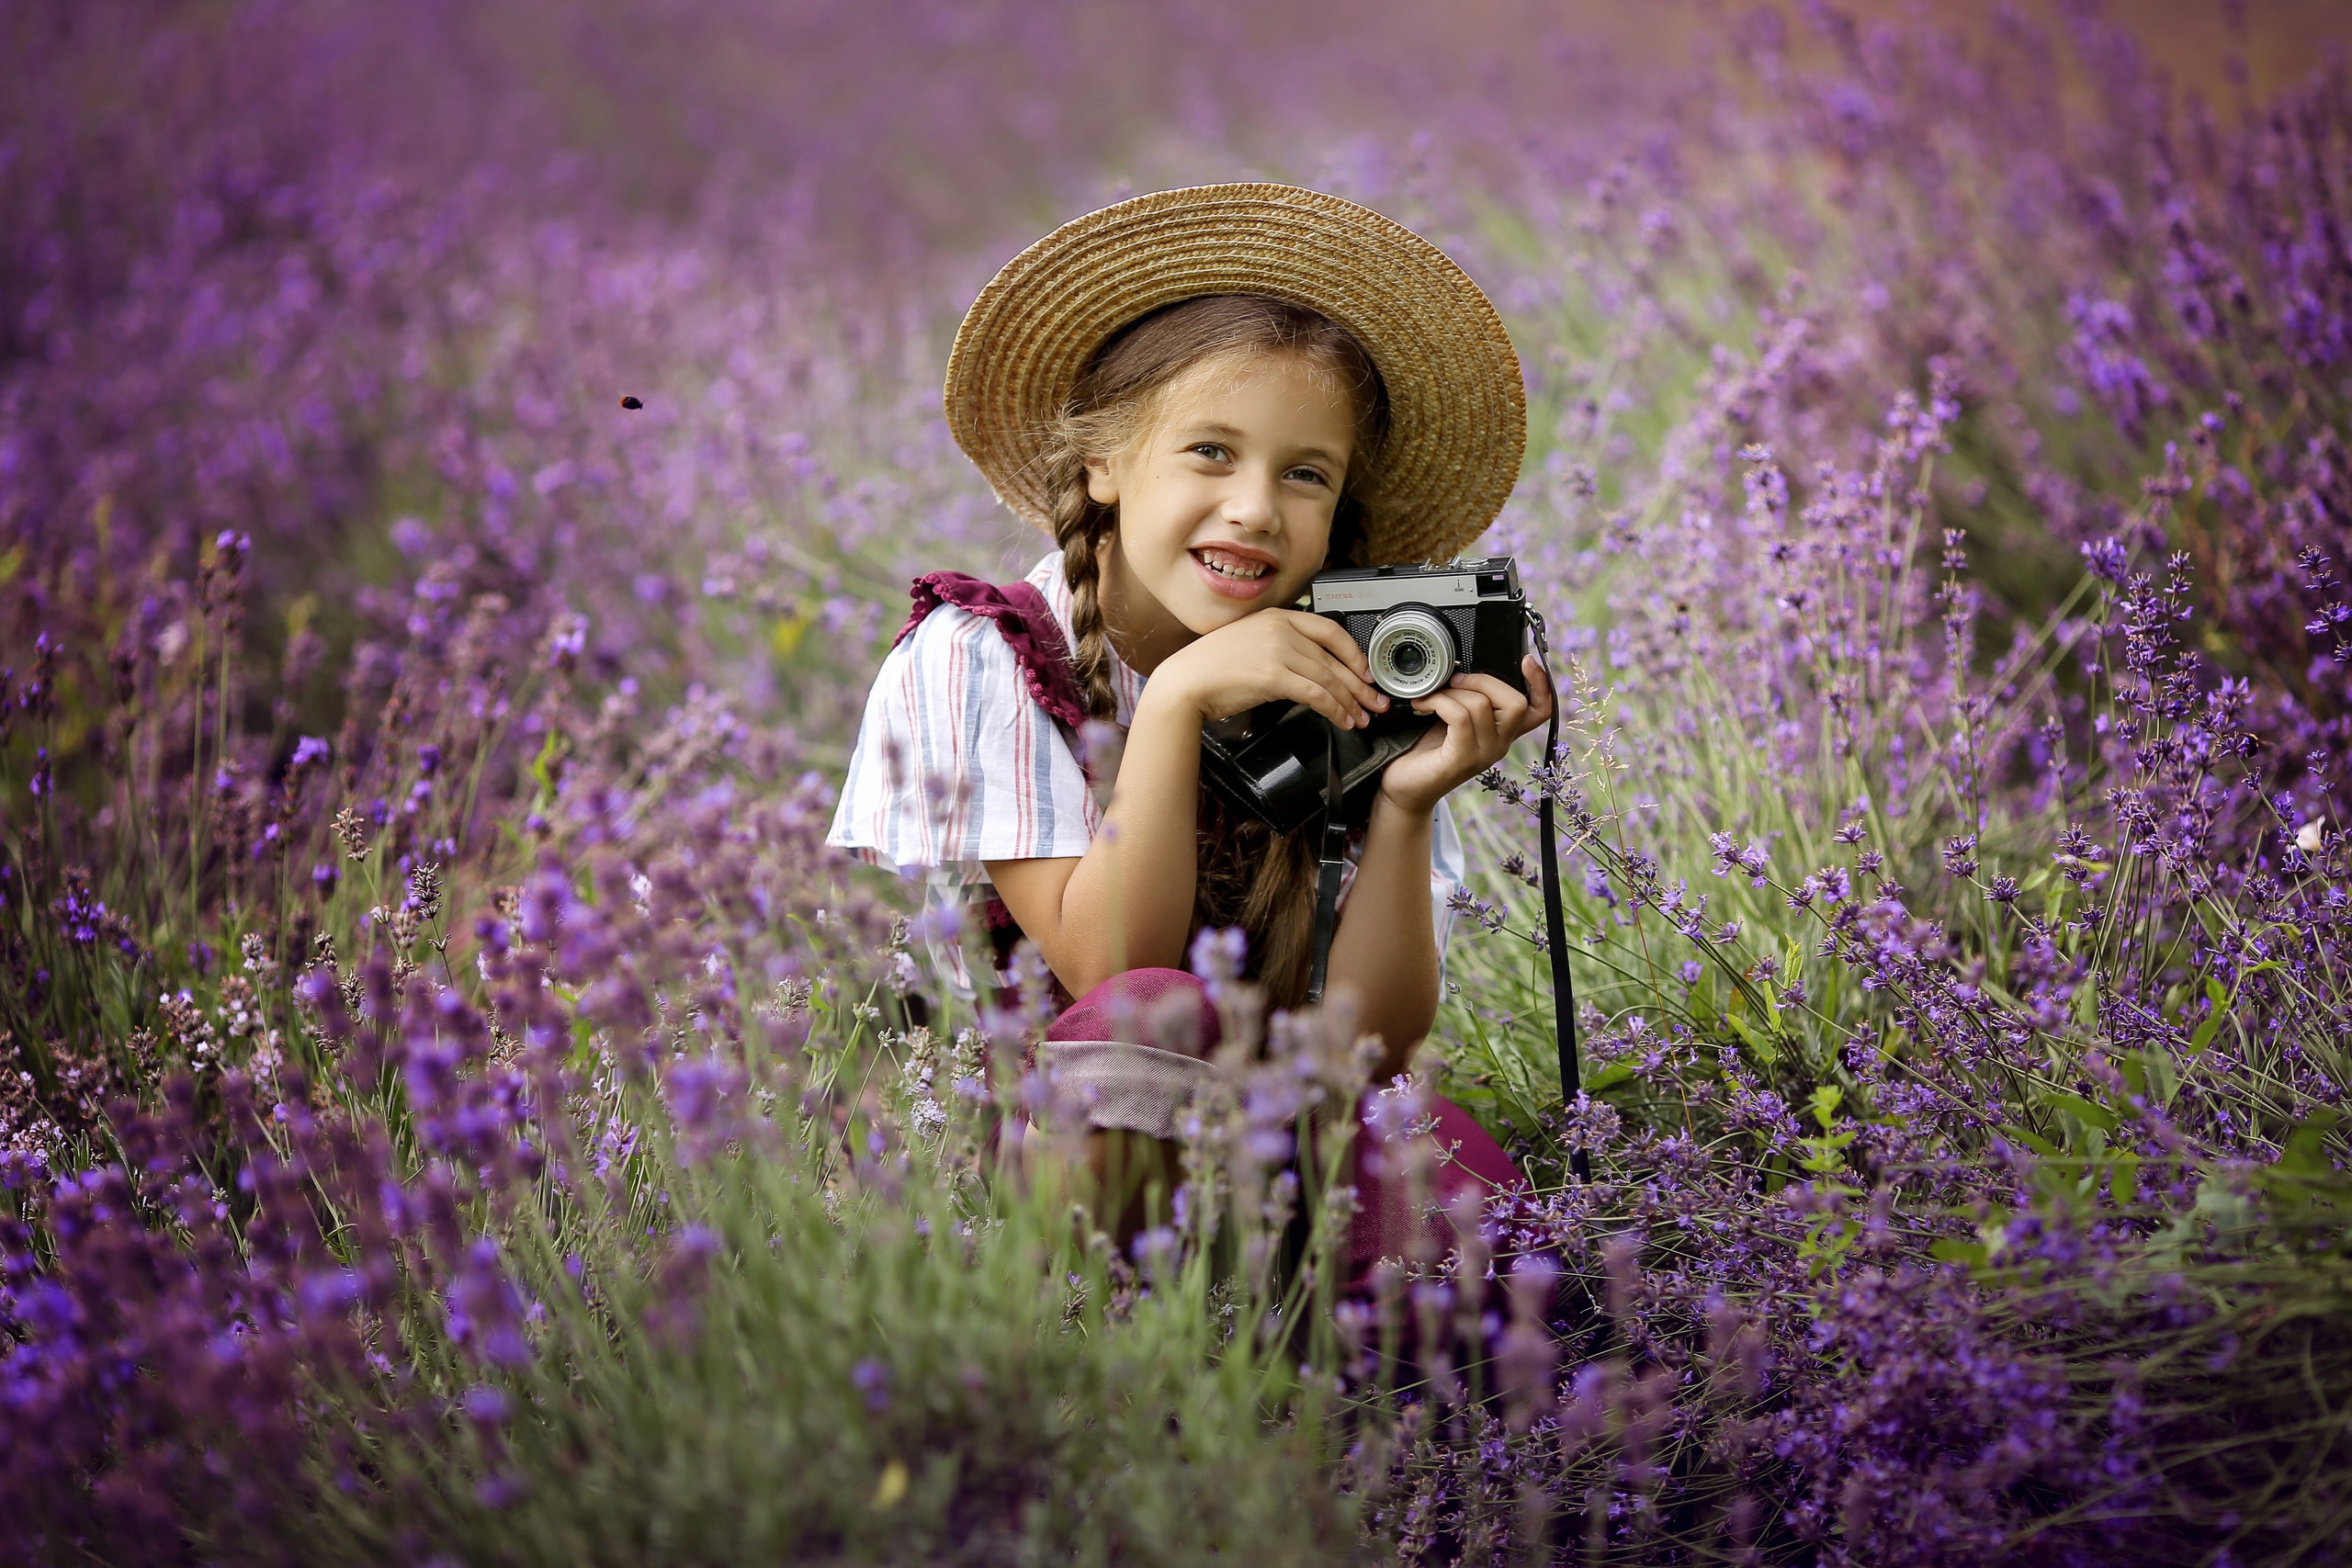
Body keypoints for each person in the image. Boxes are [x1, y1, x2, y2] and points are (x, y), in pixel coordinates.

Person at [829, 184, 1547, 1258]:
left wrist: (1402, 805)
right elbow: (1108, 969)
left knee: (1477, 1216)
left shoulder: (1343, 669)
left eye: (1304, 474)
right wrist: (1171, 704)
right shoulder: (986, 654)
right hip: (1039, 1144)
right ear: (1102, 466)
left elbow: (1365, 1050)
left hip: (1268, 1130)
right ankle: (1105, 1321)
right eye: (1210, 451)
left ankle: (1289, 1319)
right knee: (1154, 1012)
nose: (1254, 507)